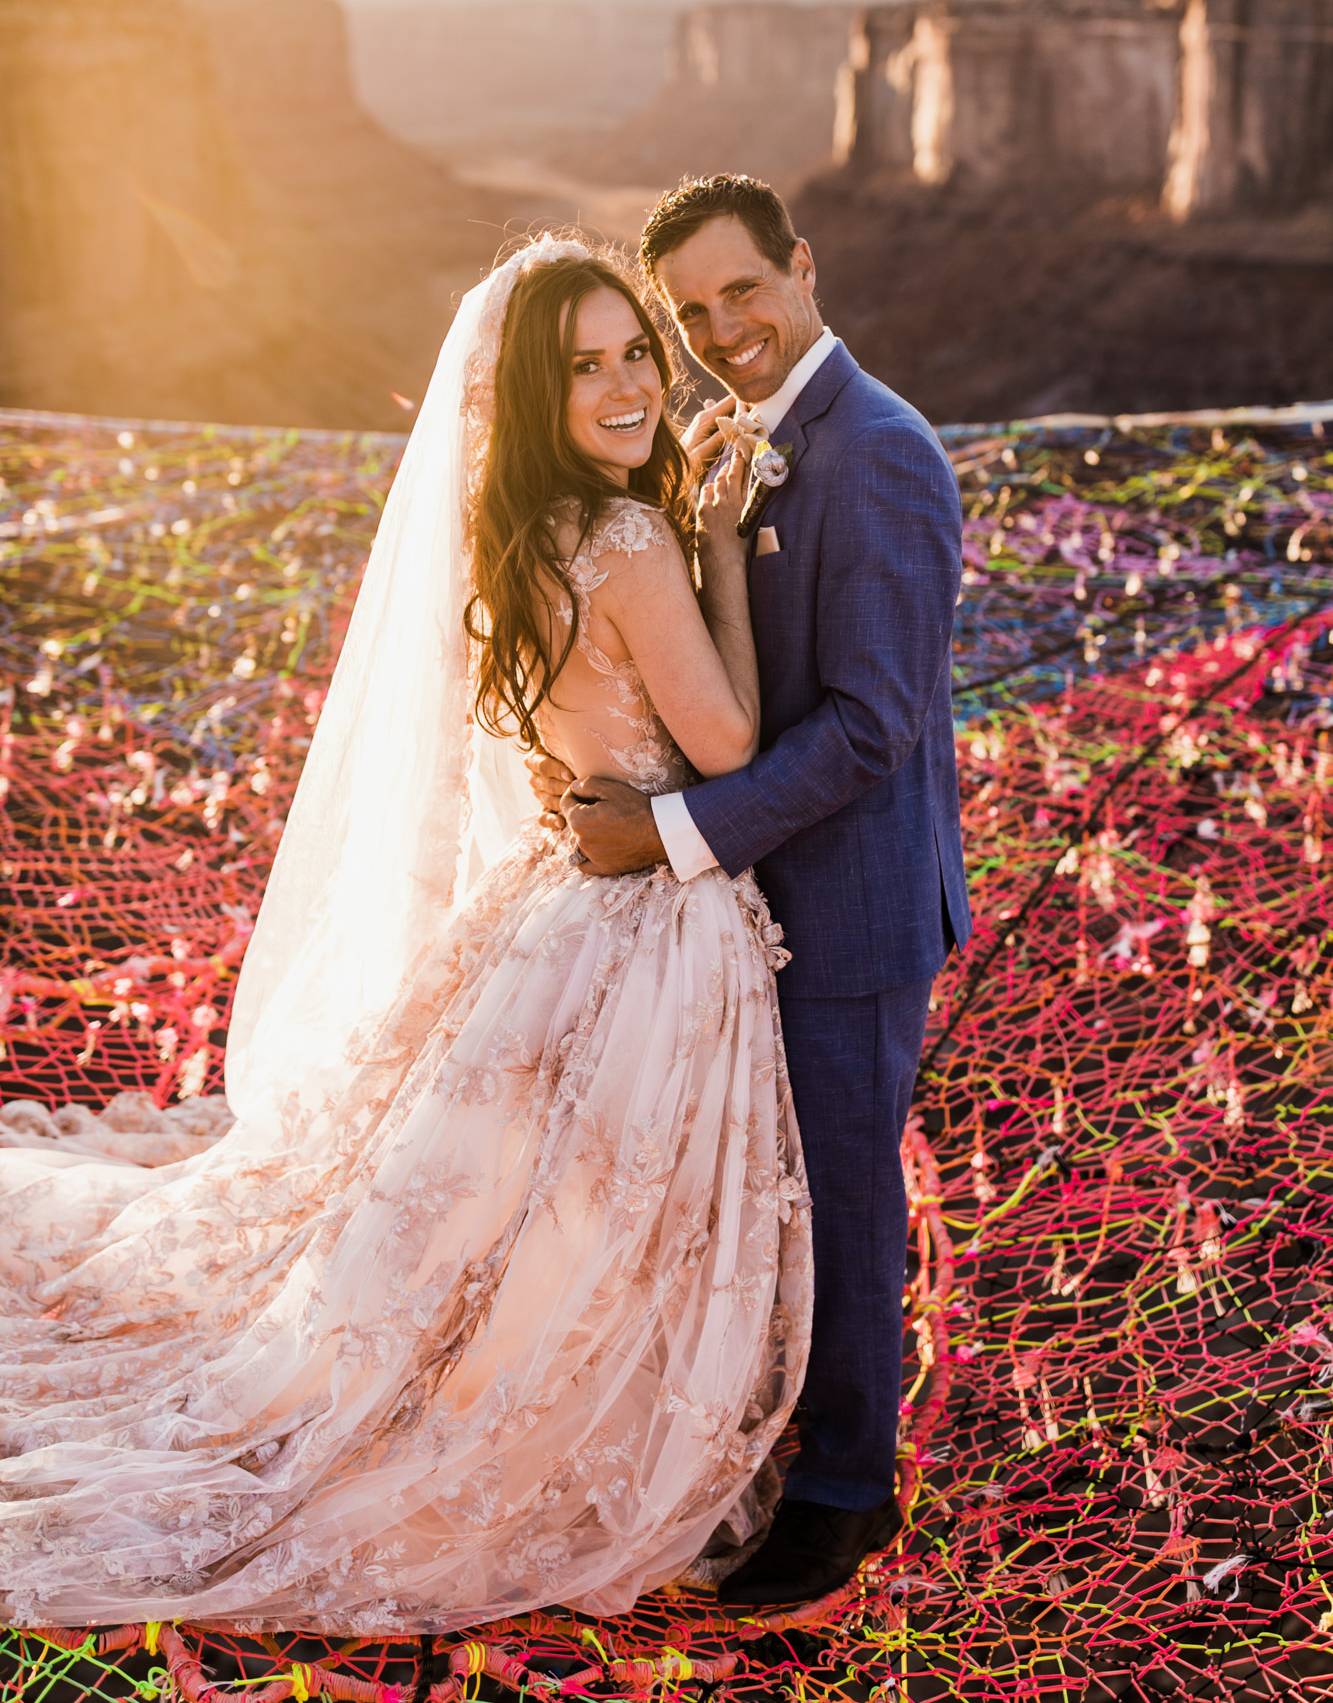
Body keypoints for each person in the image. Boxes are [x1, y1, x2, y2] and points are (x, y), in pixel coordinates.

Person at [0, 238, 813, 1633]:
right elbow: (727, 741)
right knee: (597, 1210)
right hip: (649, 930)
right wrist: (726, 561)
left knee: (529, 1207)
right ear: (529, 394)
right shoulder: (625, 542)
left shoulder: (517, 536)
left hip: (560, 909)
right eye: (586, 367)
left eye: (637, 354)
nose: (627, 387)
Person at [530, 176, 971, 1614]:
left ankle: (845, 1493)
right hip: (740, 907)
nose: (727, 329)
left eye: (745, 291)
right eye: (694, 313)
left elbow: (868, 726)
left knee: (838, 1205)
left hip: (842, 909)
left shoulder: (880, 453)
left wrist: (666, 833)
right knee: (757, 1203)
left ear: (802, 266)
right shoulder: (744, 445)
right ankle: (763, 1443)